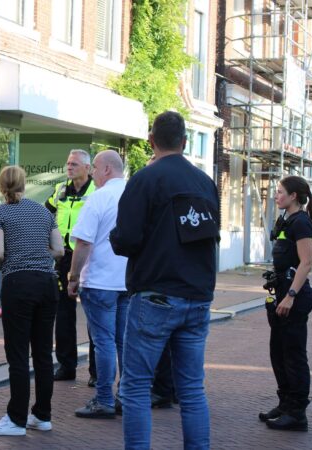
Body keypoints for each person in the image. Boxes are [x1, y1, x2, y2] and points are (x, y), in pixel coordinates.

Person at [110, 111, 220, 449]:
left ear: (151, 141)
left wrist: (118, 237)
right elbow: (210, 238)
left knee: (136, 386)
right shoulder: (206, 183)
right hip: (197, 296)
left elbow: (126, 239)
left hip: (155, 295)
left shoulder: (145, 179)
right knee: (191, 388)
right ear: (185, 143)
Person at [0, 166, 64, 436]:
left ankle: (16, 419)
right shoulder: (44, 211)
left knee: (18, 354)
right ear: (23, 184)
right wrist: (38, 255)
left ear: (2, 185)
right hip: (47, 283)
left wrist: (6, 262)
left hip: (18, 284)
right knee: (43, 353)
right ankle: (42, 415)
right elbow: (60, 250)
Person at [66, 150, 130, 419]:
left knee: (103, 341)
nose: (91, 172)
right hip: (128, 281)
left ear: (106, 170)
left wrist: (72, 277)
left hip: (100, 280)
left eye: (94, 167)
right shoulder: (135, 195)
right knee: (123, 341)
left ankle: (104, 398)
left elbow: (83, 242)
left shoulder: (98, 197)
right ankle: (125, 395)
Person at [259, 175, 312, 431]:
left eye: (280, 191)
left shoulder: (302, 223)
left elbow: (306, 263)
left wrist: (290, 296)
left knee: (294, 355)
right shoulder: (286, 219)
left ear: (293, 196)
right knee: (279, 352)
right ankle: (285, 404)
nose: (276, 195)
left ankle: (297, 414)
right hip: (282, 293)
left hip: (294, 297)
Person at [46, 149, 97, 384]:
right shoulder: (60, 190)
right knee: (63, 313)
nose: (69, 167)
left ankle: (97, 373)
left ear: (87, 168)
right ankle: (67, 366)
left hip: (89, 256)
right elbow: (46, 215)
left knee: (94, 315)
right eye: (67, 163)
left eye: (74, 164)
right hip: (63, 257)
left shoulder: (97, 191)